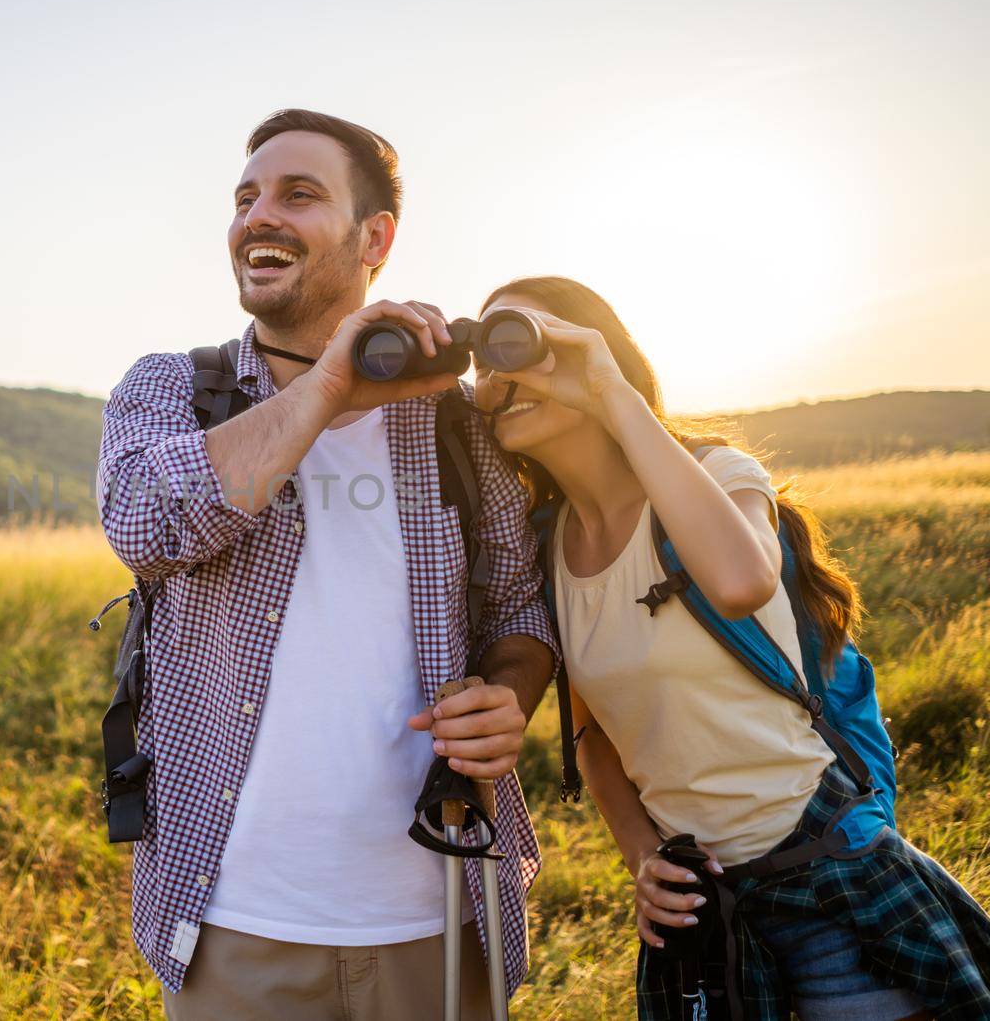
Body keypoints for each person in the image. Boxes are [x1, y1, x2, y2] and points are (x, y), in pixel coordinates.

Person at [95, 110, 560, 1019]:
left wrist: (511, 695)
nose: (257, 217)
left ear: (374, 237)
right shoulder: (170, 390)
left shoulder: (458, 423)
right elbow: (147, 526)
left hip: (440, 918)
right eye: (245, 198)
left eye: (298, 195)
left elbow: (519, 609)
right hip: (232, 926)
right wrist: (331, 386)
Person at [473, 275, 990, 1019]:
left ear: (597, 358)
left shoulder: (717, 474)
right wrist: (642, 857)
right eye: (487, 360)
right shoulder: (546, 547)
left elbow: (742, 581)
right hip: (704, 906)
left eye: (526, 346)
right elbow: (591, 736)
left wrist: (615, 395)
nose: (503, 376)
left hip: (819, 869)